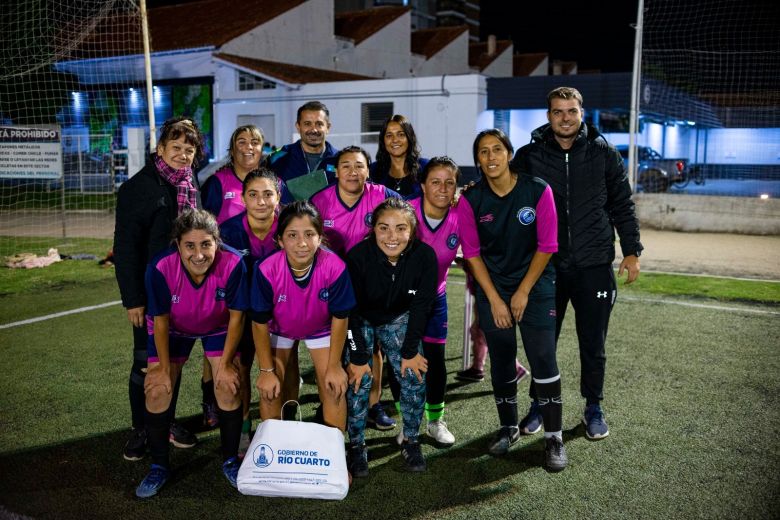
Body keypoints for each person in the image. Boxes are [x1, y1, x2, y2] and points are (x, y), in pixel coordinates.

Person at [510, 87, 642, 440]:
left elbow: (622, 206)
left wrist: (632, 251)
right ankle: (539, 404)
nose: (565, 117)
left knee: (593, 344)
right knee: (543, 343)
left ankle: (593, 407)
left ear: (582, 112)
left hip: (594, 265)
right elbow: (507, 201)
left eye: (571, 111)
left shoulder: (604, 154)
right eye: (557, 111)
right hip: (546, 268)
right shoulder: (529, 156)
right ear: (548, 115)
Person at [458, 128, 567, 471]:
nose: (491, 157)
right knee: (502, 358)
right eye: (483, 152)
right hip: (494, 288)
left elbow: (547, 245)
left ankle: (554, 438)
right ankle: (508, 428)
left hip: (534, 287)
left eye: (496, 149)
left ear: (508, 153)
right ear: (478, 160)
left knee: (543, 358)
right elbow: (472, 254)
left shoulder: (537, 190)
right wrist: (494, 299)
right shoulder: (471, 200)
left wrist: (522, 292)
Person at [135, 209, 248, 498]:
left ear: (217, 243)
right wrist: (161, 367)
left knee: (228, 384)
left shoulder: (234, 262)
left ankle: (230, 460)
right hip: (172, 329)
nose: (199, 254)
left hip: (217, 327)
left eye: (206, 245)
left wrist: (224, 365)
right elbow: (159, 322)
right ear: (178, 245)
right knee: (158, 389)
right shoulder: (160, 267)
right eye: (190, 246)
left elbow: (237, 318)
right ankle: (159, 466)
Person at [114, 116, 204, 461]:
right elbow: (125, 249)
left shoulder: (188, 182)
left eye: (188, 149)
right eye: (176, 147)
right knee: (146, 363)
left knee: (174, 360)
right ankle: (141, 427)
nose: (182, 154)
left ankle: (164, 421)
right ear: (161, 149)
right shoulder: (138, 188)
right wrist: (133, 299)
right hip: (151, 294)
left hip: (185, 289)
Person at [344, 198, 437, 476]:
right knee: (359, 379)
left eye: (400, 228)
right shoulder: (358, 257)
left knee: (413, 374)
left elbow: (421, 307)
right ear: (373, 229)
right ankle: (357, 445)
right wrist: (359, 357)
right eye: (383, 228)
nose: (392, 237)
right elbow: (349, 312)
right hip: (360, 319)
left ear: (412, 230)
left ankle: (411, 439)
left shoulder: (424, 257)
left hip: (398, 317)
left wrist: (410, 352)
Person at [310, 145, 401, 429]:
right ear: (336, 171)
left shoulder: (382, 196)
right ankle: (333, 401)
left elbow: (410, 215)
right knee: (333, 348)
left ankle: (373, 406)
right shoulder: (320, 200)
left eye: (359, 165)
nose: (353, 171)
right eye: (346, 165)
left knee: (371, 346)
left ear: (367, 171)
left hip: (370, 286)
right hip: (330, 287)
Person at [250, 201, 355, 430]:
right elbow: (258, 323)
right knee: (270, 389)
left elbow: (340, 318)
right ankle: (273, 455)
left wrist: (335, 366)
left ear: (320, 237)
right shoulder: (266, 270)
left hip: (321, 328)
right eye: (292, 235)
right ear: (279, 240)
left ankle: (335, 460)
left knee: (334, 387)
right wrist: (266, 371)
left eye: (310, 234)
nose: (302, 243)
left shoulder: (335, 267)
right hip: (279, 329)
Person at [219, 167, 298, 457]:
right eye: (253, 195)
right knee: (240, 369)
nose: (261, 201)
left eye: (268, 194)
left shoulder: (290, 226)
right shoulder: (226, 231)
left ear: (278, 197)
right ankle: (243, 431)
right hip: (241, 313)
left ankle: (288, 424)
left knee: (285, 366)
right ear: (243, 198)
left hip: (280, 313)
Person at [266, 101, 339, 199]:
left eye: (319, 124)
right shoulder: (278, 158)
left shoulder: (340, 160)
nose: (314, 130)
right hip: (288, 214)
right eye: (307, 124)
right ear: (298, 126)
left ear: (328, 127)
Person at [369, 114, 427, 200]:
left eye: (401, 134)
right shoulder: (373, 170)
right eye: (389, 135)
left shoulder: (426, 167)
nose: (395, 140)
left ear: (409, 137)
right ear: (383, 141)